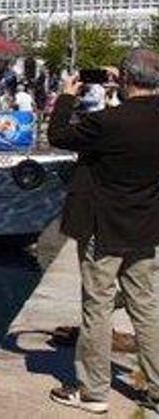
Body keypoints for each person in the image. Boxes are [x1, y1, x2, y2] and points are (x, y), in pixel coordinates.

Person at [47, 48, 159, 414]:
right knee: (147, 308)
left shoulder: (108, 122)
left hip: (102, 227)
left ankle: (93, 392)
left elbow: (59, 134)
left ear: (125, 79)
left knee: (97, 307)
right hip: (143, 226)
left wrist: (66, 94)